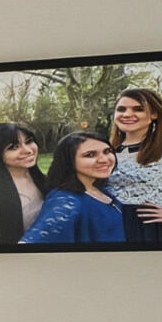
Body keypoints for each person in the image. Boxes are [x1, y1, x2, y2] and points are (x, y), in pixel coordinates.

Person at [22, 133, 128, 246]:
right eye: (90, 155)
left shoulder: (102, 189)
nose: (104, 159)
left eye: (107, 151)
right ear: (69, 161)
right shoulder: (66, 201)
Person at [106, 86, 162, 247]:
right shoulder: (103, 152)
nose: (127, 114)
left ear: (154, 114)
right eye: (121, 109)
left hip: (152, 231)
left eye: (138, 109)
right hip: (112, 229)